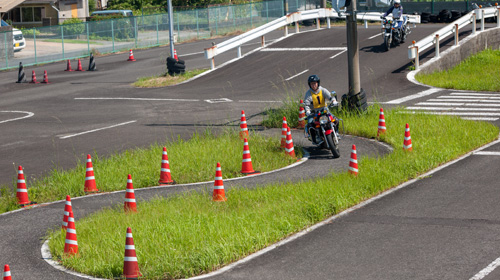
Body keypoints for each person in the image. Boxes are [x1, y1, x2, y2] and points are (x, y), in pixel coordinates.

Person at [303, 74, 338, 144]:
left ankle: (336, 133)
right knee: (310, 124)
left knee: (335, 119)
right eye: (312, 84)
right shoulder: (308, 93)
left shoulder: (323, 90)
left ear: (318, 83)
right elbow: (306, 104)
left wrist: (333, 101)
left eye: (315, 83)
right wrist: (307, 111)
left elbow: (330, 97)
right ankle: (315, 139)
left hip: (324, 110)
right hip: (314, 113)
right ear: (309, 85)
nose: (313, 85)